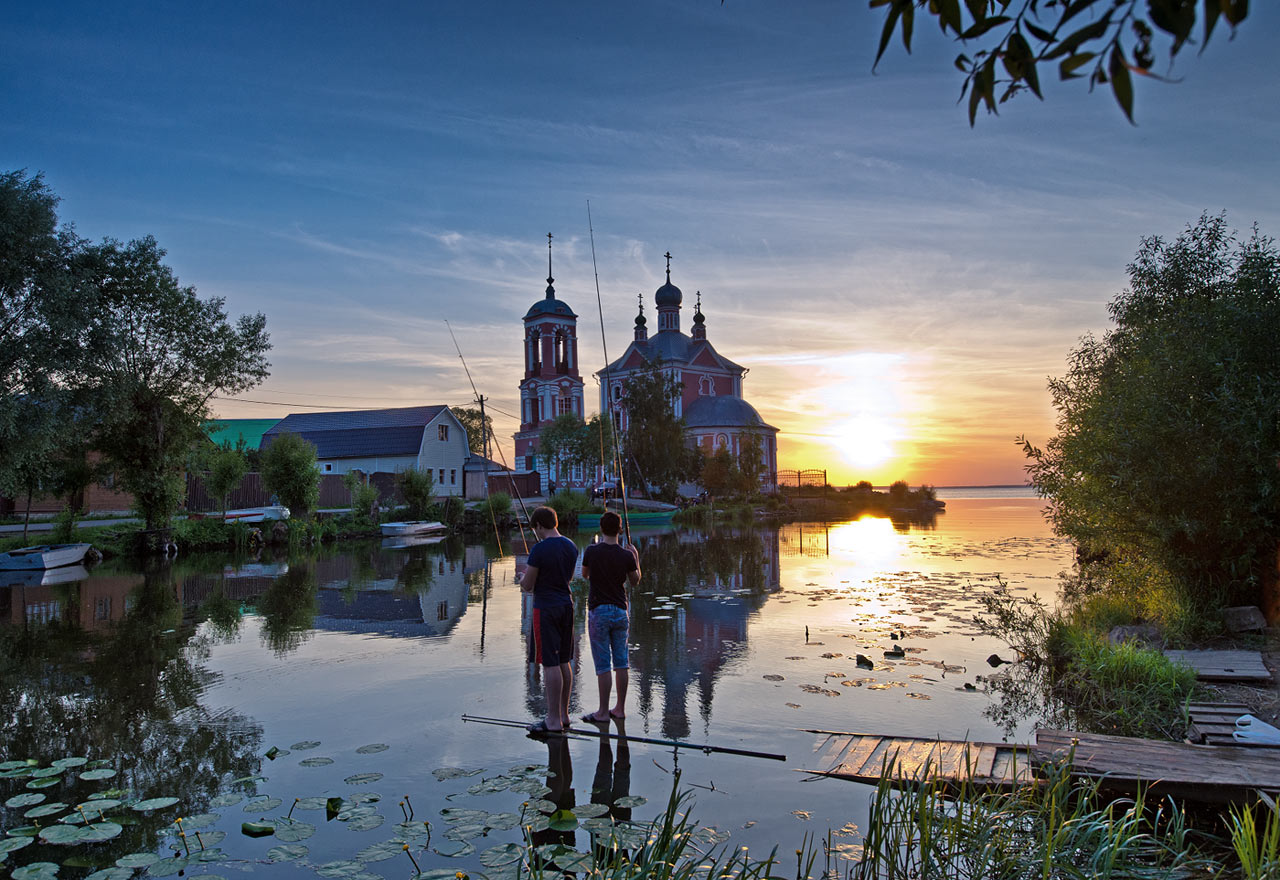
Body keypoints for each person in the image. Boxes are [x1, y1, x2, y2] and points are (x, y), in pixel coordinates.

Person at [520, 505, 579, 734]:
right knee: (564, 660)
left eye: (535, 528)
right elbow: (568, 577)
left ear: (539, 526)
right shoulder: (571, 546)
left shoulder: (539, 549)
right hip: (567, 606)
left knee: (550, 664)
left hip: (546, 608)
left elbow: (528, 584)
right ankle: (564, 715)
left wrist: (522, 578)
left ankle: (552, 720)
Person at [579, 511, 640, 723]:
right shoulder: (626, 555)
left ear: (601, 529)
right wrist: (636, 559)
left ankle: (603, 712)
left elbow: (585, 574)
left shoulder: (591, 551)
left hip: (599, 611)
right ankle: (620, 709)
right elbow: (635, 581)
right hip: (620, 611)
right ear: (620, 530)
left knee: (603, 664)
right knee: (622, 662)